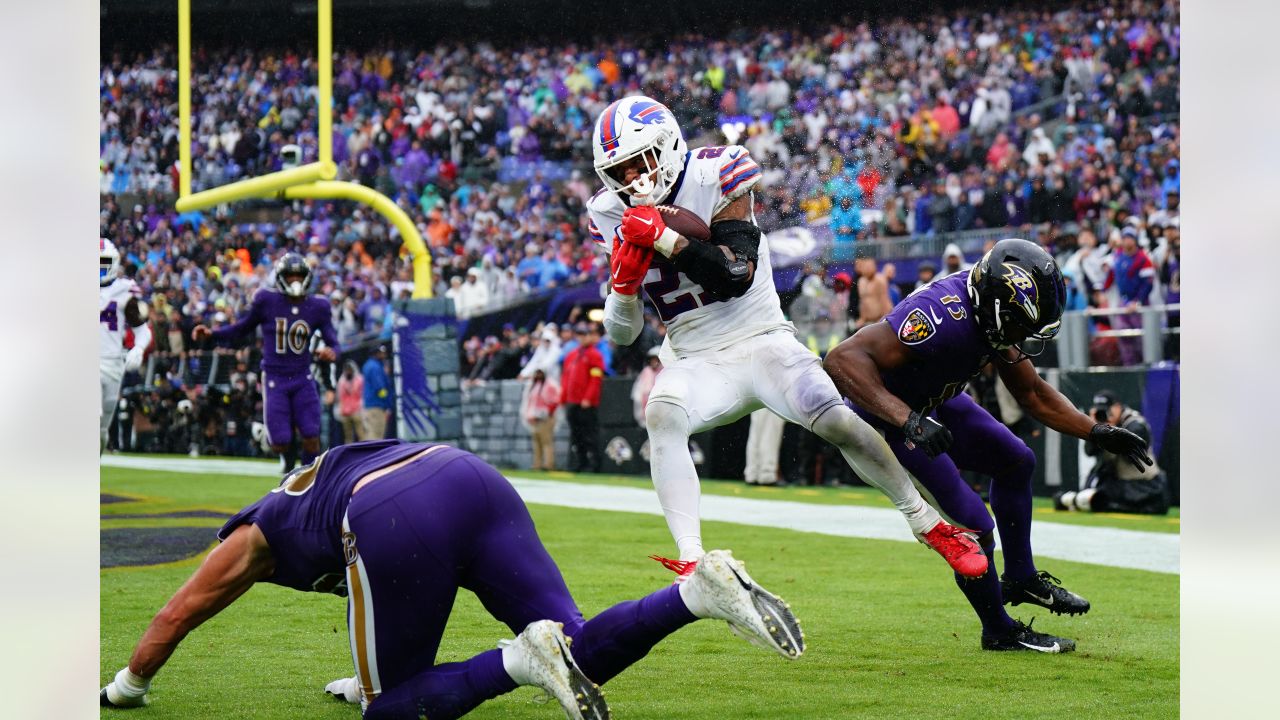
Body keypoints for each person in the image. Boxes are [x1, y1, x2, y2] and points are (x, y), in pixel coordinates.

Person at [100, 440, 806, 719]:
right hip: (465, 475)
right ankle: (697, 594)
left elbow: (178, 611)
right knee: (579, 648)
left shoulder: (254, 532)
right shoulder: (306, 493)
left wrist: (126, 685)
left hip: (392, 508)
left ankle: (517, 661)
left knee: (390, 710)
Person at [588, 95, 985, 581]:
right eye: (620, 170)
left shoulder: (717, 171)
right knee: (661, 411)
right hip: (696, 356)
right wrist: (624, 291)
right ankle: (691, 562)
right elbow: (624, 335)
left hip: (762, 338)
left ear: (668, 145)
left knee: (834, 416)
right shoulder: (607, 212)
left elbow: (735, 274)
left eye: (639, 161)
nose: (633, 179)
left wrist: (667, 241)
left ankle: (929, 524)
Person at [823, 239, 1155, 653]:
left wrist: (1096, 432)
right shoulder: (939, 315)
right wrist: (906, 419)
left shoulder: (990, 311)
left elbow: (1031, 393)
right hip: (885, 420)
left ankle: (1020, 577)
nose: (1023, 337)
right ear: (999, 305)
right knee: (975, 526)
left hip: (931, 403)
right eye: (1019, 324)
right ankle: (998, 629)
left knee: (1016, 461)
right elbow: (841, 359)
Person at [193, 252, 338, 471]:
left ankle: (308, 480)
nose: (295, 281)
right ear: (281, 277)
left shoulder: (317, 307)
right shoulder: (267, 301)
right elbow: (241, 328)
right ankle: (282, 455)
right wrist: (212, 334)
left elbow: (334, 342)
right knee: (280, 442)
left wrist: (332, 352)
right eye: (290, 276)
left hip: (302, 375)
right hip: (275, 376)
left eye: (299, 276)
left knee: (311, 434)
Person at [1055, 391, 1169, 514]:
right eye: (1101, 411)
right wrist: (1093, 429)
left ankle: (1071, 500)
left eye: (1107, 410)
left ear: (1117, 407)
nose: (1105, 414)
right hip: (1119, 484)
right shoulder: (1100, 425)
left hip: (1145, 486)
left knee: (1100, 498)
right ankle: (1069, 500)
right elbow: (1089, 452)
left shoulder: (1134, 422)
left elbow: (1130, 456)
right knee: (1095, 495)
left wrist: (1111, 430)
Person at [100, 238, 153, 453]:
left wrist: (139, 349)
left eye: (103, 262)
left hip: (113, 365)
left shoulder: (125, 290)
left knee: (102, 431)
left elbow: (143, 329)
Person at [561, 323, 604, 473]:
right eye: (580, 334)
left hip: (586, 403)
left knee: (590, 435)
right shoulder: (572, 355)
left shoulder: (595, 355)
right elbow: (566, 378)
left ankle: (595, 464)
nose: (583, 337)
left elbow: (595, 379)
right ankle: (581, 463)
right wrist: (563, 397)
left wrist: (588, 397)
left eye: (585, 334)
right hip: (572, 402)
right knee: (576, 435)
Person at [521, 368, 561, 471]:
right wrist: (529, 415)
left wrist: (546, 413)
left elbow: (555, 401)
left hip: (545, 418)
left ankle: (548, 464)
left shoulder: (550, 385)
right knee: (536, 443)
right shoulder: (533, 385)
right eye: (537, 373)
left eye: (540, 373)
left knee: (546, 442)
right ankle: (537, 464)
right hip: (534, 418)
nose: (538, 375)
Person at [362, 345, 393, 440]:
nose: (384, 355)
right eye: (381, 353)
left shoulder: (369, 364)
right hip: (377, 406)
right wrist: (388, 404)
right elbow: (380, 389)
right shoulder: (375, 367)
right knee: (376, 437)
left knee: (370, 434)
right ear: (376, 353)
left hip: (370, 406)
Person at [336, 361, 365, 444]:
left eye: (350, 370)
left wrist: (362, 408)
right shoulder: (341, 381)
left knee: (361, 434)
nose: (348, 372)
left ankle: (363, 452)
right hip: (345, 412)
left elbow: (362, 394)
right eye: (347, 370)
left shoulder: (359, 380)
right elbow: (340, 397)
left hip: (357, 411)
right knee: (348, 436)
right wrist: (340, 409)